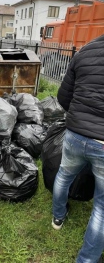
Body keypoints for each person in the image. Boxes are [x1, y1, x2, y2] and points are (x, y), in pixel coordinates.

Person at [51, 34, 104, 263]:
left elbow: (63, 97)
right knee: (102, 206)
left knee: (64, 175)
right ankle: (86, 260)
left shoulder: (85, 51)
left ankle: (57, 217)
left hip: (75, 134)